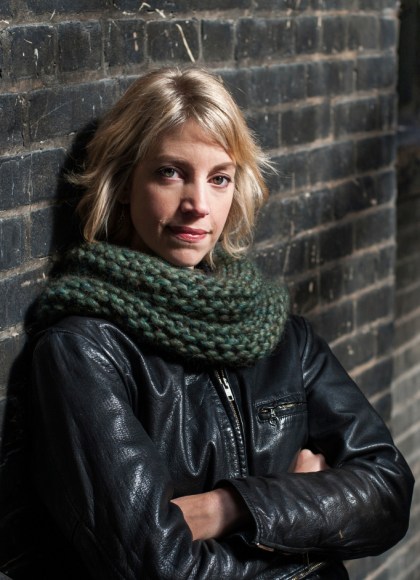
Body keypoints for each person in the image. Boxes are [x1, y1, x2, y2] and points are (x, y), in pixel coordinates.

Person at [30, 67, 413, 580]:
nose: (198, 206)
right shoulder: (85, 350)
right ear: (123, 182)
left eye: (219, 179)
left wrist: (229, 508)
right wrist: (308, 518)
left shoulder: (278, 334)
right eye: (170, 172)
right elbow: (159, 567)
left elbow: (388, 491)